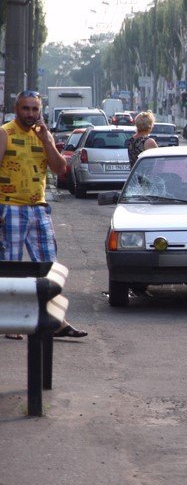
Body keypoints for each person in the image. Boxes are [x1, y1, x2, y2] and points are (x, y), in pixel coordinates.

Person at [1, 90, 88, 339]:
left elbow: (60, 168)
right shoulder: (5, 133)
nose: (30, 114)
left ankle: (54, 320)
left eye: (35, 109)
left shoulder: (43, 135)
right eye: (26, 108)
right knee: (11, 267)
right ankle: (13, 323)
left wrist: (47, 140)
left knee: (49, 266)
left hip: (38, 208)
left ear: (41, 111)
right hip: (9, 207)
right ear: (16, 108)